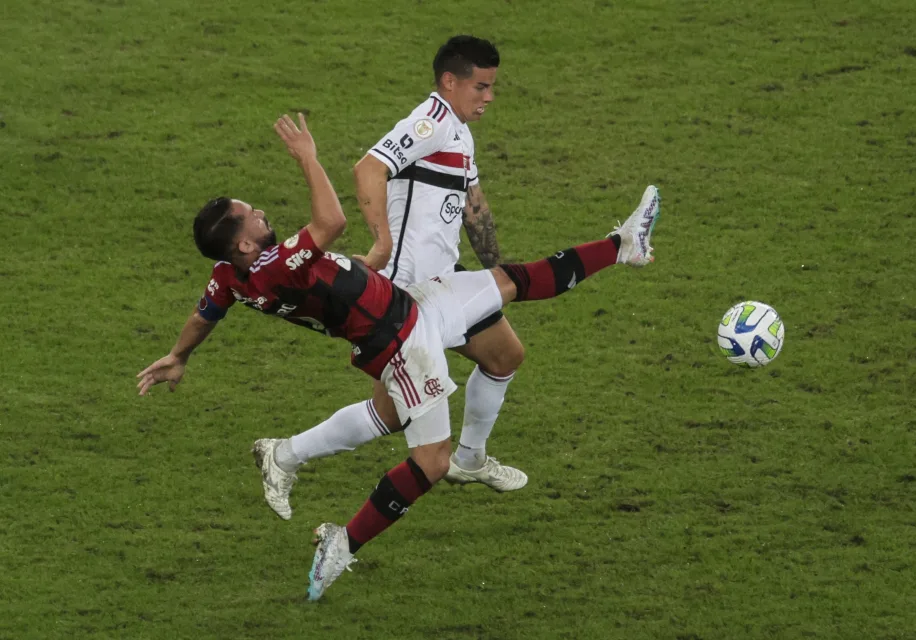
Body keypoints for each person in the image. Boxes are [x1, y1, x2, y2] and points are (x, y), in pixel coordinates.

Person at [135, 113, 661, 601]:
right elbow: (332, 221)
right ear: (244, 245)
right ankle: (342, 543)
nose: (260, 212)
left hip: (408, 305)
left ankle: (622, 246)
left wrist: (178, 355)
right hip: (402, 344)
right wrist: (307, 157)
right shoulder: (273, 266)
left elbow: (206, 314)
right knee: (430, 462)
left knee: (509, 282)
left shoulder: (231, 276)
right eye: (250, 215)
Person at [252, 35, 526, 523]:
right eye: (481, 87)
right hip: (405, 297)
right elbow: (369, 167)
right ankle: (284, 454)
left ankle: (470, 459)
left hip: (445, 285)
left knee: (505, 354)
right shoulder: (431, 122)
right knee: (393, 415)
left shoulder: (459, 133)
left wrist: (495, 274)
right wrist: (380, 242)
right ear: (450, 81)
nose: (489, 97)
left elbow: (473, 206)